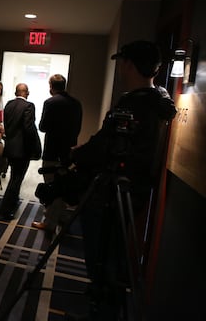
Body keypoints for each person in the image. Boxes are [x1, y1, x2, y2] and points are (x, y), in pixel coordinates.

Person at [71, 40, 176, 320]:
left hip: (110, 194)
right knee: (116, 254)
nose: (120, 68)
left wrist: (78, 156)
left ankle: (103, 309)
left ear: (129, 64)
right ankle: (107, 306)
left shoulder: (132, 104)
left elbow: (105, 145)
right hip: (136, 190)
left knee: (102, 257)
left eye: (122, 62)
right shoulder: (161, 100)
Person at [32, 74, 82, 235]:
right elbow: (77, 128)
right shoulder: (76, 103)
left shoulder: (50, 102)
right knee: (63, 185)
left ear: (51, 86)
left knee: (51, 187)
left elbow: (43, 126)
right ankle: (59, 216)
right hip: (68, 151)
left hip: (52, 151)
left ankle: (49, 223)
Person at [0, 83, 42, 220]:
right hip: (22, 149)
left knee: (14, 176)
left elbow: (8, 126)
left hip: (10, 147)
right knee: (16, 179)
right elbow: (28, 129)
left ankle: (12, 200)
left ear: (16, 92)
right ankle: (6, 209)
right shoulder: (29, 106)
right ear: (26, 93)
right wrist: (32, 147)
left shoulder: (9, 105)